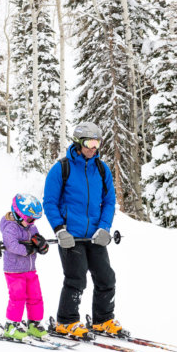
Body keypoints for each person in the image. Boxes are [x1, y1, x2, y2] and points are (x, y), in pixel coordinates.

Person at [43, 122, 121, 339]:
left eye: (97, 143)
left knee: (106, 278)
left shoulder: (101, 169)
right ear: (78, 142)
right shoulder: (62, 168)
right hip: (71, 236)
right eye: (89, 143)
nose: (93, 148)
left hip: (95, 236)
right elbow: (49, 202)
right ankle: (66, 322)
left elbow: (109, 201)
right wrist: (60, 230)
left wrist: (104, 228)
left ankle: (102, 320)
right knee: (76, 279)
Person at [0, 193, 51, 341]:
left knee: (35, 296)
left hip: (30, 269)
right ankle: (11, 326)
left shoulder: (31, 227)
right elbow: (11, 245)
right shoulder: (10, 227)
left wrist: (41, 246)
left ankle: (34, 324)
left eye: (34, 219)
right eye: (30, 219)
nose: (32, 222)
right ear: (18, 214)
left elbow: (37, 240)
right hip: (14, 270)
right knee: (18, 298)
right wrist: (26, 250)